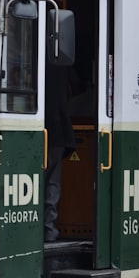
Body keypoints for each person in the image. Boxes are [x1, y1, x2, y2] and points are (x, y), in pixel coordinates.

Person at [44, 63, 76, 243]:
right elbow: (75, 87)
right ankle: (49, 229)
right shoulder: (62, 64)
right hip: (58, 129)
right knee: (52, 182)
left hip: (45, 128)